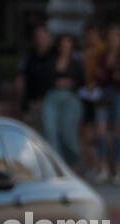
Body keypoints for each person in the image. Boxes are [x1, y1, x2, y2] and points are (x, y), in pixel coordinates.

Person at [93, 24, 120, 184]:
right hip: (104, 93)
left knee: (118, 131)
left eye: (116, 37)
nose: (113, 40)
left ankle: (118, 168)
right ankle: (103, 167)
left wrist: (112, 75)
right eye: (111, 37)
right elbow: (99, 76)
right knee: (101, 131)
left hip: (119, 94)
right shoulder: (102, 56)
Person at [42, 34, 85, 169]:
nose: (65, 48)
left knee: (68, 133)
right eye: (62, 45)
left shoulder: (77, 63)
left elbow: (83, 83)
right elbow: (42, 81)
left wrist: (70, 84)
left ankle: (73, 162)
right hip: (52, 97)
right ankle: (57, 165)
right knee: (50, 131)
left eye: (68, 45)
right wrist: (55, 83)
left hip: (70, 99)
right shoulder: (50, 61)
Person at [78, 23, 106, 179]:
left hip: (99, 95)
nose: (91, 38)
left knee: (100, 132)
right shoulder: (82, 53)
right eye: (88, 35)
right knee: (83, 132)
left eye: (93, 34)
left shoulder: (104, 51)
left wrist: (96, 83)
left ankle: (102, 165)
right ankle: (89, 163)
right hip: (84, 94)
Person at [16, 24, 55, 130]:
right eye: (37, 36)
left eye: (42, 36)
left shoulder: (54, 57)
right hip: (31, 103)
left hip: (50, 103)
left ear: (49, 38)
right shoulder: (29, 57)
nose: (40, 39)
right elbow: (21, 77)